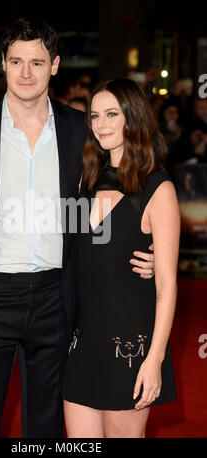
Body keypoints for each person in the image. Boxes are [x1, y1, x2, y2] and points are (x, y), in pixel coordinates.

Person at [0, 19, 155, 438]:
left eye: (37, 62)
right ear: (4, 65)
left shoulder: (80, 128)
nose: (26, 72)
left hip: (56, 297)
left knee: (45, 427)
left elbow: (123, 185)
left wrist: (149, 248)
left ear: (55, 65)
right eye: (16, 61)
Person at [62, 78, 180, 438]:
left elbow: (167, 284)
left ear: (134, 118)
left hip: (130, 349)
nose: (101, 124)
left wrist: (155, 359)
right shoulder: (86, 181)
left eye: (112, 114)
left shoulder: (158, 189)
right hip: (82, 345)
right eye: (95, 115)